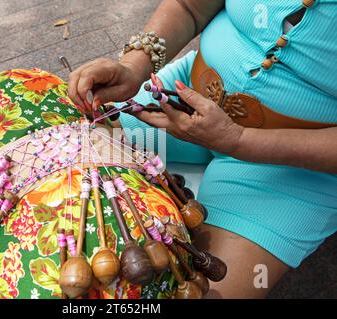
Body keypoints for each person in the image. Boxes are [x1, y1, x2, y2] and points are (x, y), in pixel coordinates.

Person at [67, 0, 337, 298]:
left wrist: (239, 140)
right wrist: (133, 68)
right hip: (173, 105)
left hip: (289, 170)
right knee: (60, 143)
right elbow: (189, 8)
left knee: (199, 292)